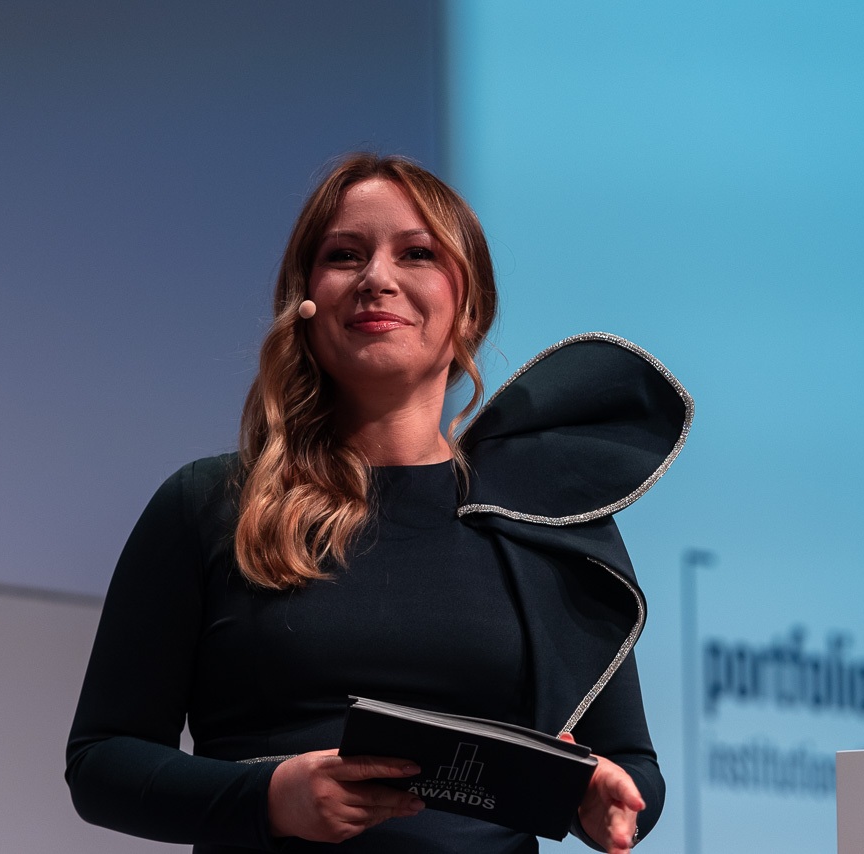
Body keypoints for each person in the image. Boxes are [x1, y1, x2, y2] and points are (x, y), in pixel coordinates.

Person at [66, 153, 692, 853]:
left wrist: (600, 795)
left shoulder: (538, 518)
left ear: (470, 308)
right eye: (345, 255)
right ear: (304, 300)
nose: (377, 278)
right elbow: (101, 762)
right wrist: (269, 799)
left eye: (417, 253)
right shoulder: (211, 504)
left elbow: (630, 766)